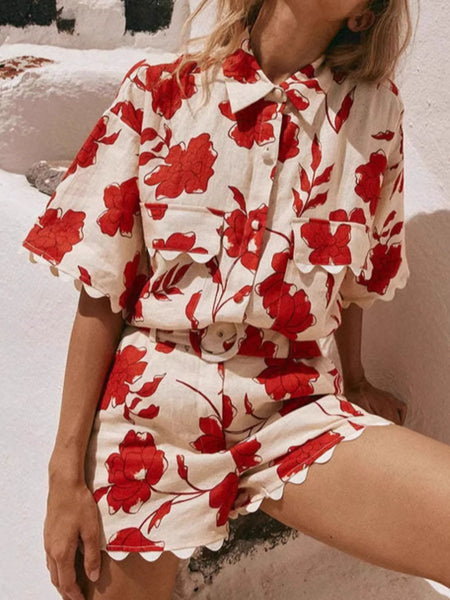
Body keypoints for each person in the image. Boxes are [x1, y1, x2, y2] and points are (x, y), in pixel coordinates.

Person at [21, 0, 450, 599]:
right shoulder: (160, 92)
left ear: (361, 15)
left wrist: (355, 379)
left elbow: (356, 282)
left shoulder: (375, 115)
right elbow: (102, 291)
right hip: (152, 409)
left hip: (293, 404)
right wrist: (64, 473)